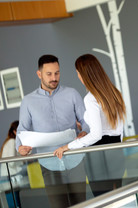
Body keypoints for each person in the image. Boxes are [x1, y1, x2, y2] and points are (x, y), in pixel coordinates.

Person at [16, 54, 90, 208]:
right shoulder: (28, 101)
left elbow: (85, 121)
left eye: (57, 73)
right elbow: (22, 129)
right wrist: (20, 147)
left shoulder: (72, 94)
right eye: (49, 74)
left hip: (75, 160)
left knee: (81, 205)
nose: (54, 78)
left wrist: (84, 131)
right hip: (49, 164)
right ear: (39, 74)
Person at [54, 54, 126, 196]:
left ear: (83, 75)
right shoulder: (114, 92)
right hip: (116, 150)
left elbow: (97, 135)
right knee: (118, 197)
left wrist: (67, 146)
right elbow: (118, 128)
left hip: (99, 156)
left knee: (103, 200)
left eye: (78, 73)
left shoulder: (90, 98)